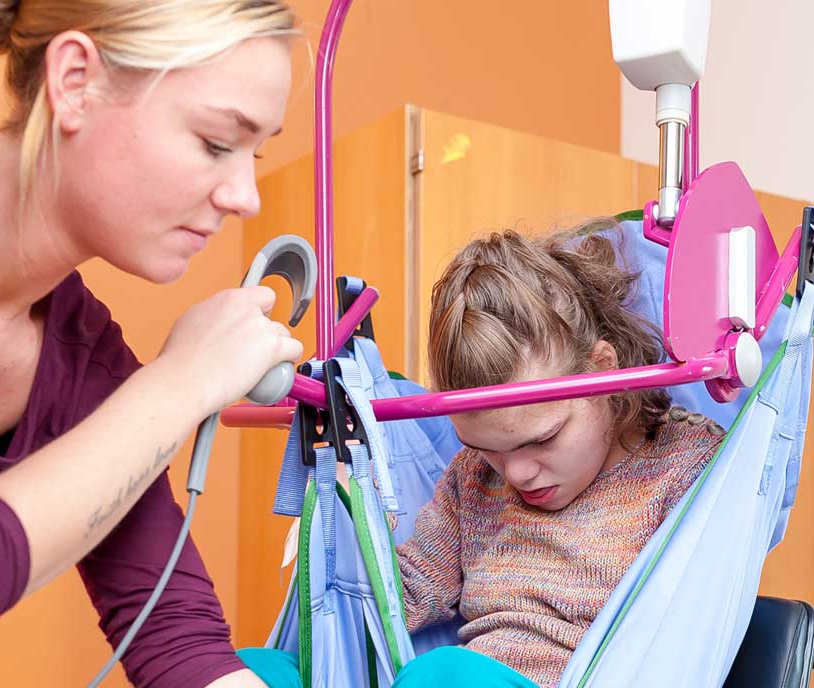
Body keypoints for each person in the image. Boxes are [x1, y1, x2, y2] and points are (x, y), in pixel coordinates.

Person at [0, 2, 303, 687]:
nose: (246, 195)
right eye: (218, 142)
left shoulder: (82, 359)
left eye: (258, 151)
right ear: (75, 82)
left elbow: (181, 645)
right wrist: (181, 383)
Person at [239, 223, 724, 688]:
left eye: (542, 439)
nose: (516, 472)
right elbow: (400, 601)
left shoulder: (685, 464)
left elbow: (686, 635)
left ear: (600, 372)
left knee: (447, 675)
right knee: (251, 671)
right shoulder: (473, 481)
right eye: (486, 448)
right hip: (459, 677)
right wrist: (349, 518)